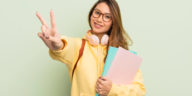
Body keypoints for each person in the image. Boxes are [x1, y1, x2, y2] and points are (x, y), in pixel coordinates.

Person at [36, 0, 146, 96]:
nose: (99, 19)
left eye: (107, 17)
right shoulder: (79, 47)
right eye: (97, 13)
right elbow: (63, 46)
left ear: (113, 22)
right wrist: (57, 44)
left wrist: (112, 89)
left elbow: (140, 91)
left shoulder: (122, 54)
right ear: (91, 14)